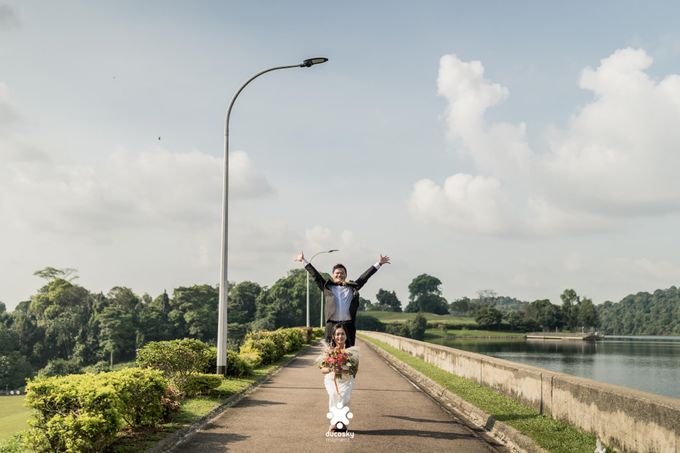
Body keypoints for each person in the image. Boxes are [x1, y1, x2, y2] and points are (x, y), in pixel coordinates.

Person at [295, 251, 390, 347]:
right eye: (337, 273)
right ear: (333, 275)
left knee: (350, 353)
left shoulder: (352, 287)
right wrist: (303, 261)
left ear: (345, 275)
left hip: (348, 325)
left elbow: (364, 277)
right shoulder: (327, 287)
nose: (339, 275)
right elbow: (316, 276)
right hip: (332, 325)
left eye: (342, 273)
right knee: (330, 354)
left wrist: (379, 264)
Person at [318, 324, 359, 432]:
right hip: (331, 379)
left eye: (342, 334)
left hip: (347, 380)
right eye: (337, 334)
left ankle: (342, 423)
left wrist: (342, 369)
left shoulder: (352, 353)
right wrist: (333, 368)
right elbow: (323, 369)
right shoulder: (328, 352)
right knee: (333, 395)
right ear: (333, 336)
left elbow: (354, 370)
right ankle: (334, 423)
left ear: (346, 336)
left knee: (344, 398)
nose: (340, 337)